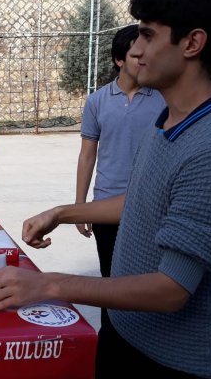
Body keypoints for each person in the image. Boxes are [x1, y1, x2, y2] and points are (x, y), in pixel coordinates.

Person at [0, 0, 211, 377]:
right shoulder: (167, 122)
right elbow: (144, 201)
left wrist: (47, 285)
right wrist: (64, 212)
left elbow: (171, 289)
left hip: (178, 364)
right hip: (128, 339)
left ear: (192, 43)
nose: (135, 50)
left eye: (146, 35)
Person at [75, 24, 165, 279]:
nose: (144, 60)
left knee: (145, 284)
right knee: (110, 280)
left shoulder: (164, 100)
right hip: (106, 205)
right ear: (119, 60)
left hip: (150, 206)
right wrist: (80, 206)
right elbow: (87, 155)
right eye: (137, 56)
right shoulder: (97, 101)